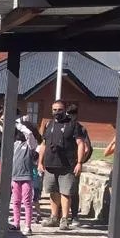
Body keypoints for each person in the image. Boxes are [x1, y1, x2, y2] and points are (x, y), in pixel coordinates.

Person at [38, 99, 87, 231]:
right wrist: (40, 162)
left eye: (60, 110)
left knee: (65, 192)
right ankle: (54, 217)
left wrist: (79, 162)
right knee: (53, 191)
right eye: (54, 110)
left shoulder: (73, 125)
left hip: (67, 165)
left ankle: (64, 219)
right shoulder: (49, 124)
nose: (57, 112)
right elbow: (43, 144)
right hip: (50, 165)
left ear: (65, 110)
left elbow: (81, 144)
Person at [11, 118, 40, 235]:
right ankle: (16, 223)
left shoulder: (30, 144)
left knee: (27, 202)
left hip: (26, 177)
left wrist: (19, 125)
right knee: (16, 201)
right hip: (15, 177)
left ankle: (28, 226)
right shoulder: (15, 144)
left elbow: (29, 134)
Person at [66, 104, 93, 223]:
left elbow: (86, 148)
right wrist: (80, 162)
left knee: (67, 190)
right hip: (73, 162)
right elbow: (87, 149)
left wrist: (79, 162)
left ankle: (69, 215)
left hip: (69, 163)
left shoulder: (78, 128)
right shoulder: (81, 128)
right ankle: (73, 216)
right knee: (72, 190)